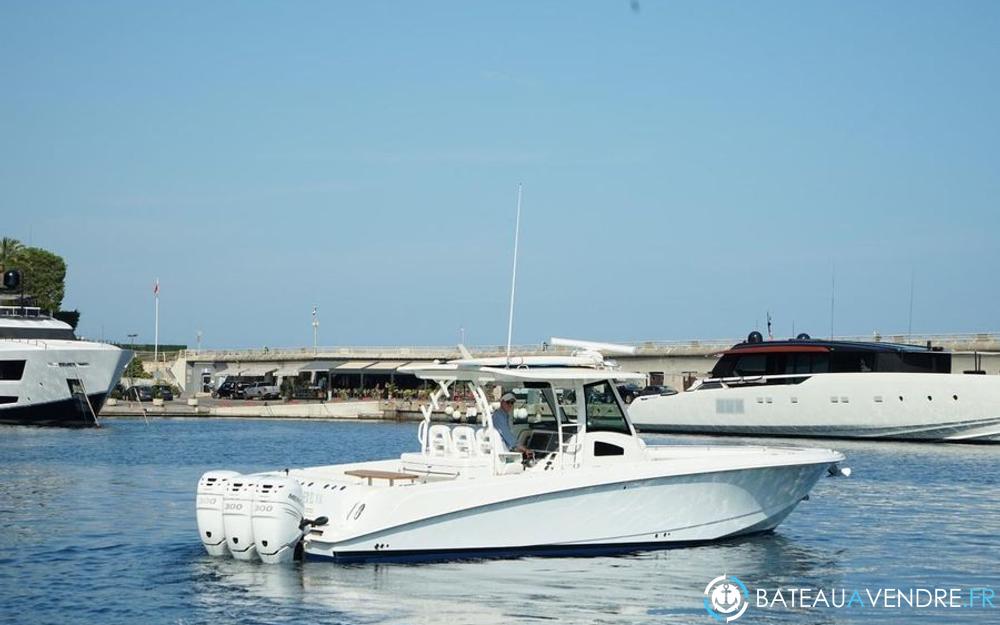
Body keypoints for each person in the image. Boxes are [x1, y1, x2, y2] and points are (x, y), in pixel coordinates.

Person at [491, 392, 533, 460]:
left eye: (512, 402)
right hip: (501, 452)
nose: (510, 405)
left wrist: (519, 448)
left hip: (502, 449)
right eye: (508, 402)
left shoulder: (504, 415)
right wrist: (525, 449)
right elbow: (508, 437)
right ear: (502, 402)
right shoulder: (499, 416)